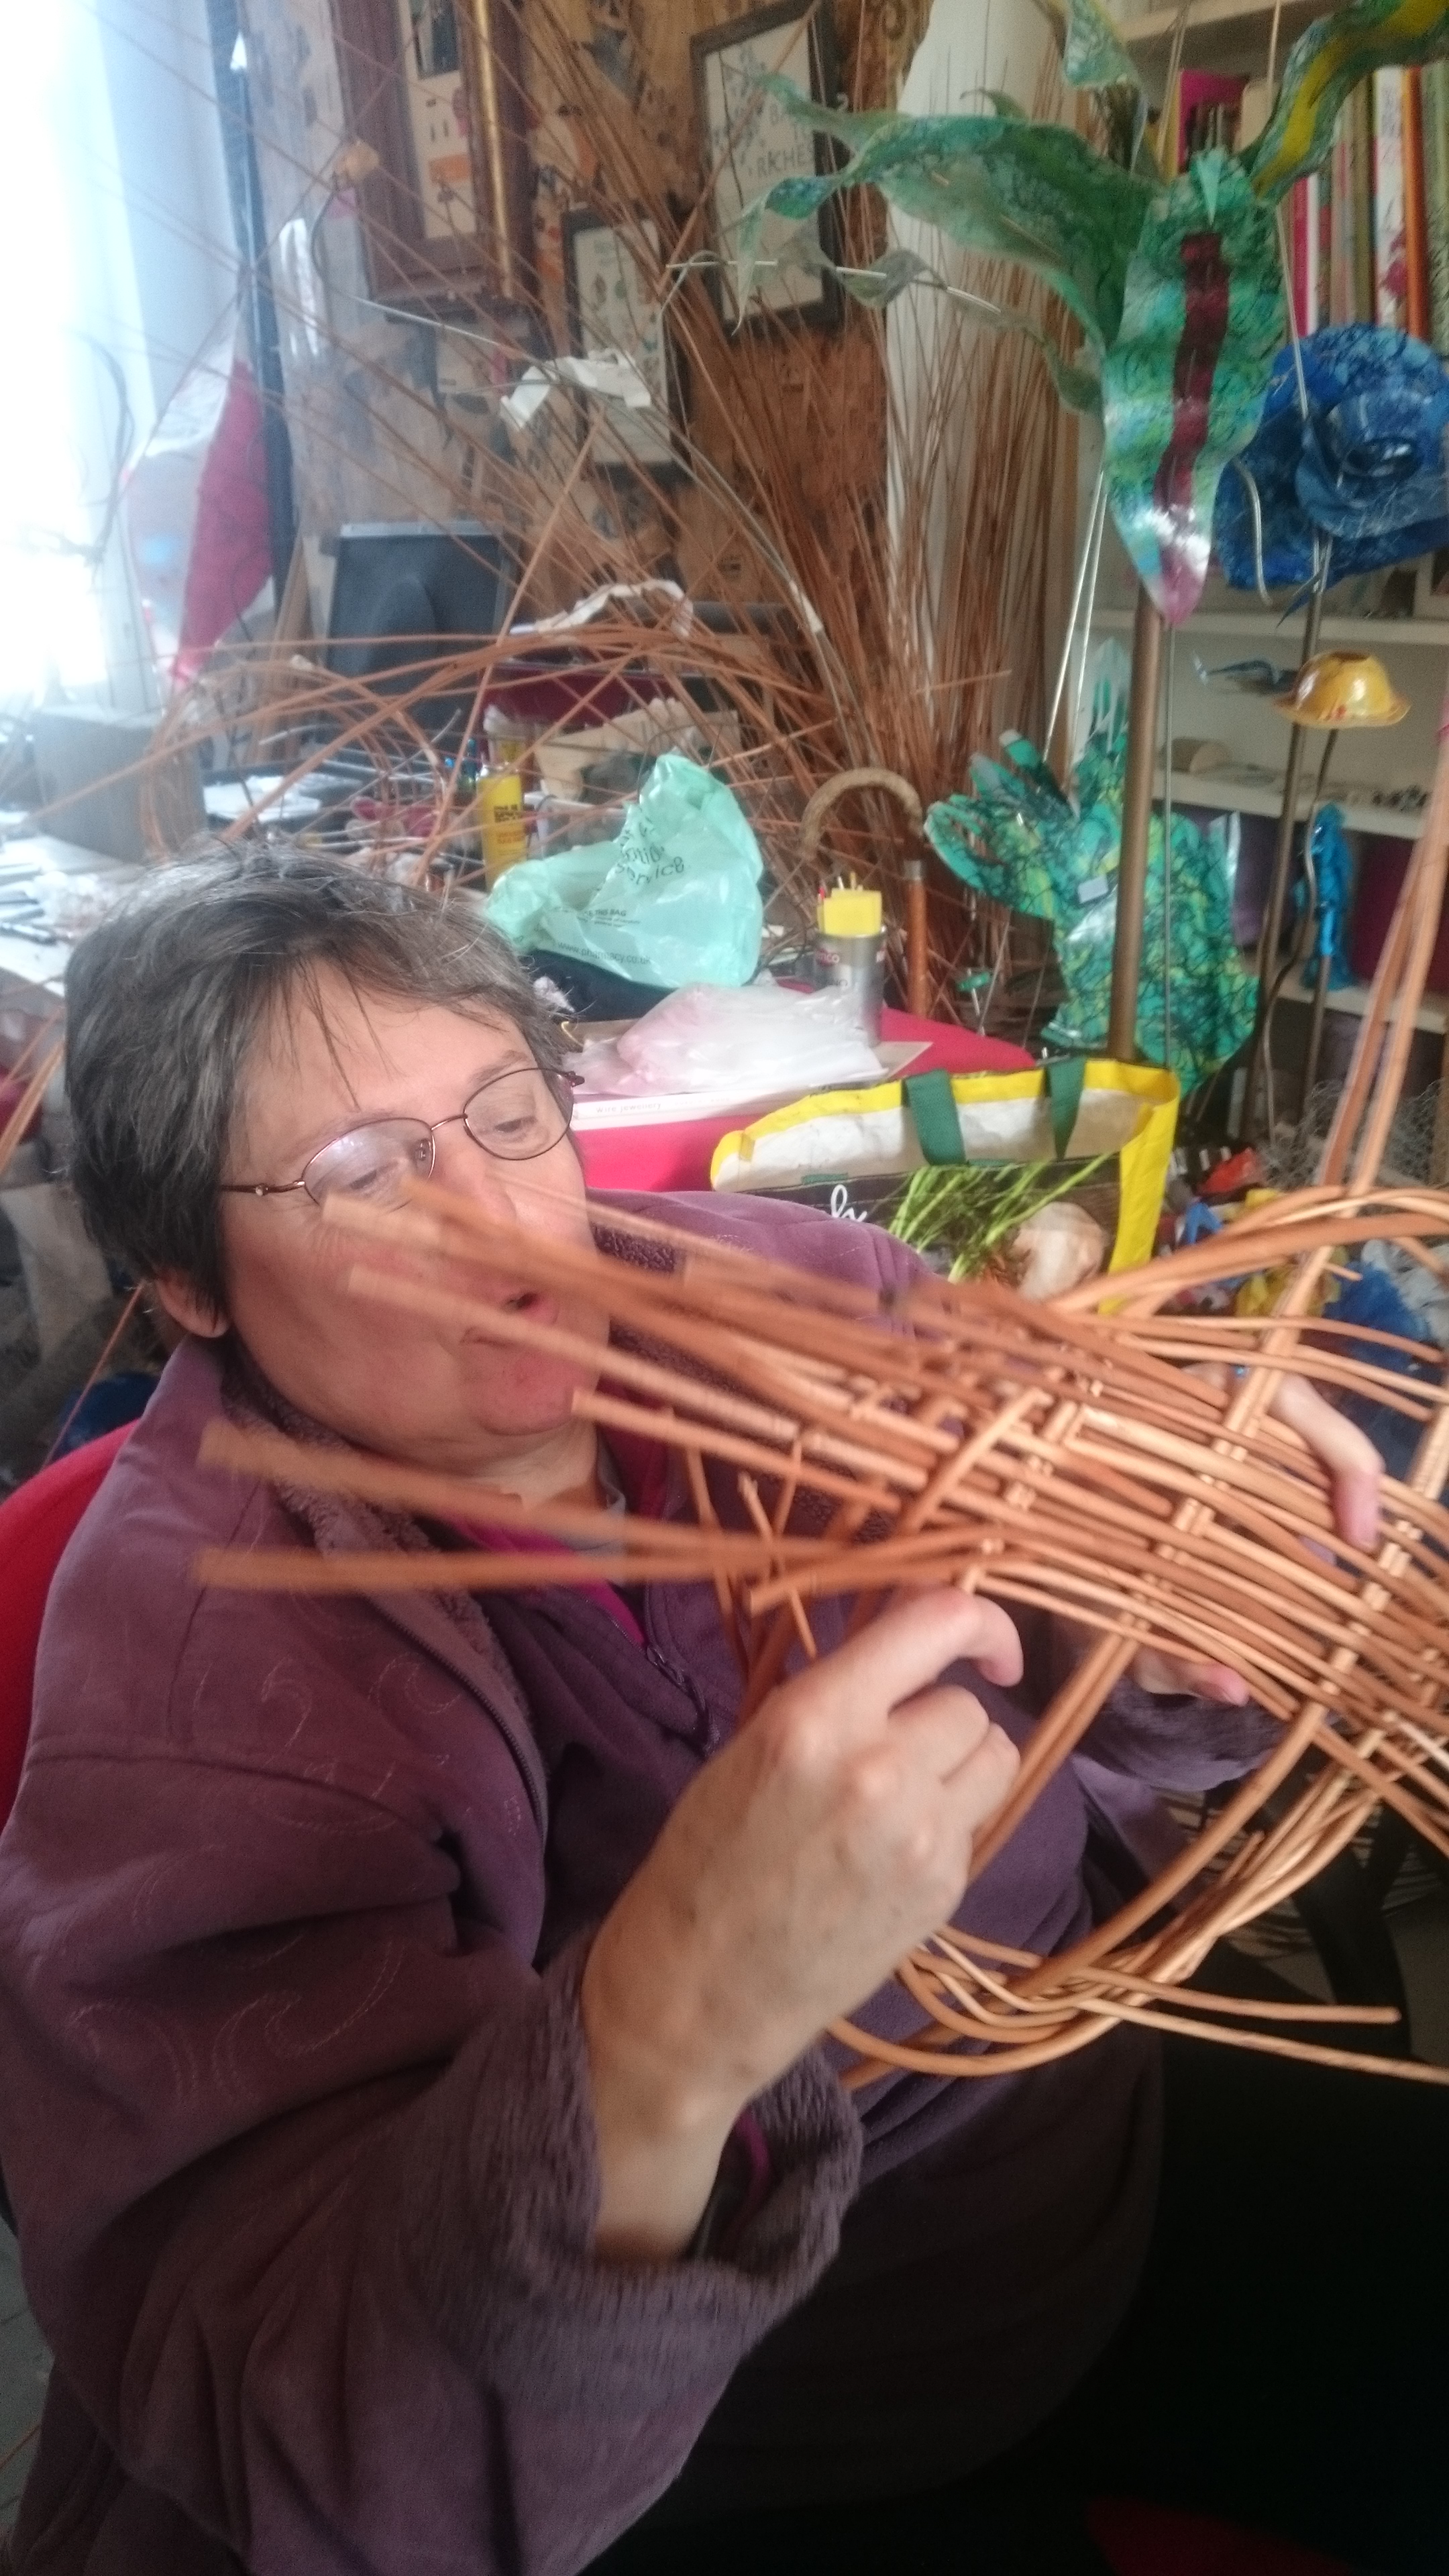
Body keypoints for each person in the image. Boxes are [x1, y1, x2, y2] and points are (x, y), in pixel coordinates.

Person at [0, 850, 1440, 2576]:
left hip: (1098, 2140)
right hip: (750, 2430)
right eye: (364, 1173)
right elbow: (314, 2436)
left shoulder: (809, 1296)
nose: (498, 1226)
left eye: (509, 1116)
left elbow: (1094, 1667)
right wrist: (675, 2019)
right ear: (190, 1278)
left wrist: (1174, 1624)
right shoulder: (199, 1681)